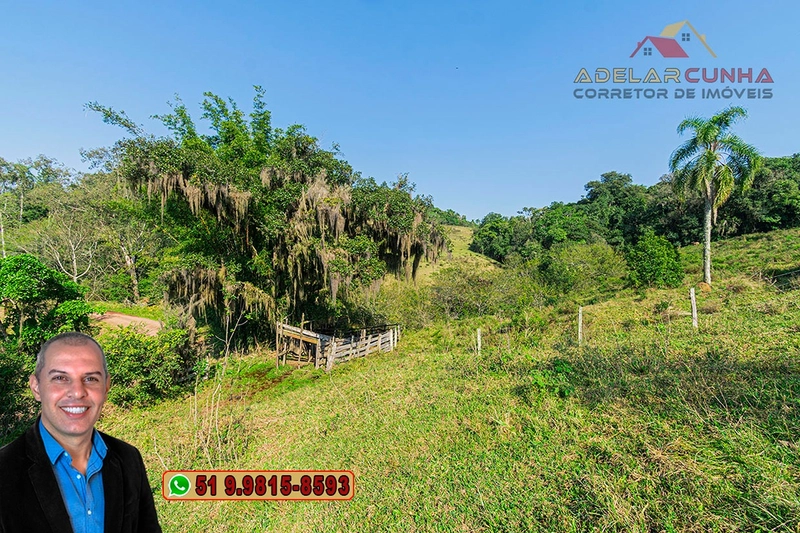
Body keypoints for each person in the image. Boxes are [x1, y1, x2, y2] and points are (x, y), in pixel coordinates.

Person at [0, 332, 162, 533]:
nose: (77, 392)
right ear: (36, 387)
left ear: (106, 387)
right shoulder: (4, 470)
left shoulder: (129, 459)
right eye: (60, 378)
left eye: (91, 378)